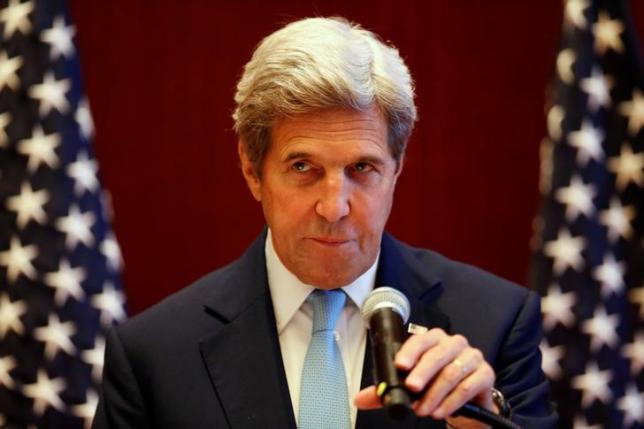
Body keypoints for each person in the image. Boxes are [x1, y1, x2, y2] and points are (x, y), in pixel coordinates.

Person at [92, 17, 557, 429]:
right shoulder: (154, 354)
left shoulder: (495, 324)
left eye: (361, 168)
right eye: (302, 168)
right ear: (252, 171)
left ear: (397, 168)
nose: (334, 206)